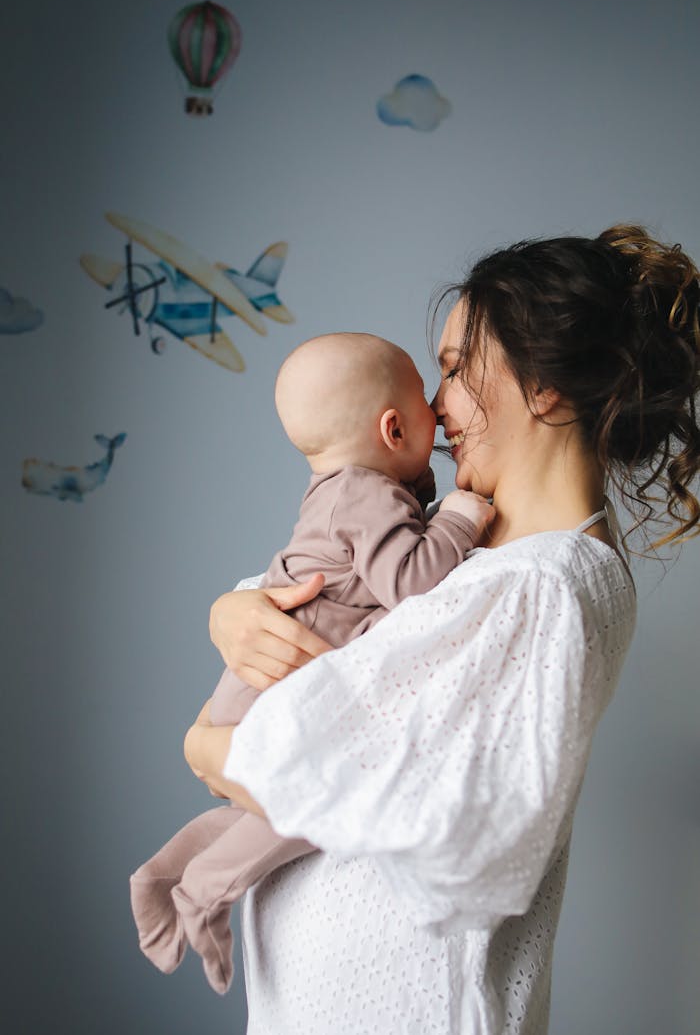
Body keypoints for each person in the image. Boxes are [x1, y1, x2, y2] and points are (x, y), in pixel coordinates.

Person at [184, 226, 700, 1034]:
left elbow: (367, 784)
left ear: (546, 389)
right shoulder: (475, 558)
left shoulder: (542, 588)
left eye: (456, 367)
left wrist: (208, 748)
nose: (432, 403)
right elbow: (337, 601)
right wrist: (233, 609)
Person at [130, 332, 494, 994]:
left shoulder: (334, 490)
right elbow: (412, 580)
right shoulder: (370, 497)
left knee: (259, 811)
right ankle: (203, 894)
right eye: (423, 401)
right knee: (302, 808)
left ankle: (164, 873)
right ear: (392, 427)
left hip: (256, 679)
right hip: (279, 681)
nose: (437, 412)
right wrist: (462, 519)